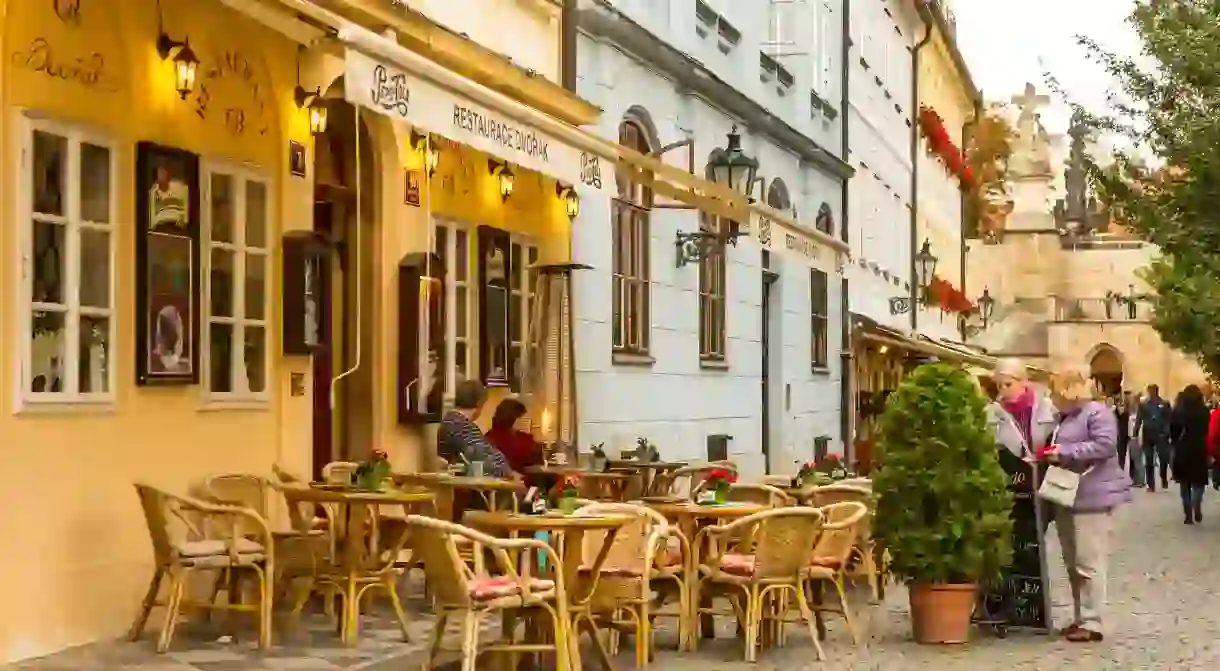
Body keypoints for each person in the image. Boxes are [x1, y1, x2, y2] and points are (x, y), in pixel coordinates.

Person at [1043, 368, 1132, 643]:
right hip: (1068, 495)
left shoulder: (1097, 413)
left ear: (1068, 389)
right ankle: (1081, 617)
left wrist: (1065, 452)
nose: (1051, 397)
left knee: (1088, 562)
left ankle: (1094, 622)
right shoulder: (1065, 417)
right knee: (1073, 562)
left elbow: (1106, 446)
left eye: (1055, 391)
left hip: (1093, 497)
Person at [437, 379, 520, 481]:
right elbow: (485, 461)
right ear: (479, 403)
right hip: (472, 487)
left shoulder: (451, 421)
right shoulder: (461, 426)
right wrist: (507, 471)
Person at [1171, 384, 1211, 524]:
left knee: (1184, 482)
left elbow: (1173, 431)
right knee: (1199, 481)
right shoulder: (1204, 411)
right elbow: (1207, 430)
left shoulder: (1178, 410)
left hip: (1182, 448)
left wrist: (1175, 443)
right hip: (1199, 447)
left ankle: (1188, 511)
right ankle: (1196, 502)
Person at [485, 398, 544, 476]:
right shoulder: (498, 438)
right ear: (513, 418)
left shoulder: (492, 435)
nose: (530, 422)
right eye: (525, 418)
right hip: (514, 482)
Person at [1134, 384, 1173, 491]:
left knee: (1163, 458)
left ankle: (1163, 478)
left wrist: (1167, 432)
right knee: (1149, 460)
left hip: (1161, 434)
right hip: (1148, 435)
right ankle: (1151, 484)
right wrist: (1135, 432)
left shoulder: (1164, 404)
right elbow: (1139, 418)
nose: (1151, 393)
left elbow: (1169, 419)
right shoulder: (1143, 405)